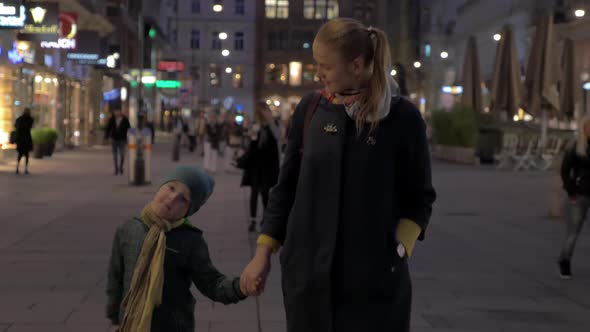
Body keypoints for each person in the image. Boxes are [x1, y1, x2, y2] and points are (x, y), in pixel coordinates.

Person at [240, 18, 436, 332]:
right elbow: (285, 186)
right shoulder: (311, 109)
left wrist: (397, 249)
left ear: (357, 65)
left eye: (325, 67)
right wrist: (263, 253)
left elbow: (421, 196)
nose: (318, 74)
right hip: (307, 279)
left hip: (374, 283)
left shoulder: (402, 117)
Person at [106, 166, 251, 332]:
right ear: (161, 186)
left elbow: (211, 283)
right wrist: (115, 315)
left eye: (183, 199)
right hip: (131, 323)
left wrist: (240, 287)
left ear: (188, 211)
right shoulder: (129, 229)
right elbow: (116, 276)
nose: (172, 198)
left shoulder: (190, 240)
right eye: (171, 188)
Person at [241, 103, 281, 232]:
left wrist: (270, 122)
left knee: (265, 193)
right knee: (254, 194)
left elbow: (278, 138)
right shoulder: (255, 126)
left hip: (268, 166)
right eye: (261, 111)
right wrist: (252, 135)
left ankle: (265, 219)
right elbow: (251, 146)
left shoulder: (273, 125)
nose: (264, 113)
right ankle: (253, 221)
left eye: (265, 110)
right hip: (255, 166)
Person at [559, 116, 590, 279]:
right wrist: (571, 190)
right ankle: (564, 260)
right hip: (579, 195)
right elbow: (565, 171)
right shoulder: (575, 147)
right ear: (583, 128)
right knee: (573, 233)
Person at [104, 109, 130, 175]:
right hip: (114, 139)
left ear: (120, 112)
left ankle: (121, 167)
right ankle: (116, 168)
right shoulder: (112, 119)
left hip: (122, 139)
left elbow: (129, 128)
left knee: (122, 154)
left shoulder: (125, 119)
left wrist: (129, 137)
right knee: (115, 155)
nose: (117, 113)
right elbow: (108, 128)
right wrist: (106, 137)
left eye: (118, 111)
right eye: (115, 111)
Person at [14, 107, 34, 175]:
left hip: (21, 139)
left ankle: (18, 168)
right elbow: (30, 127)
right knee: (26, 155)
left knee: (20, 154)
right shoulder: (30, 119)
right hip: (25, 139)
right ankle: (24, 168)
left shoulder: (20, 119)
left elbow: (16, 126)